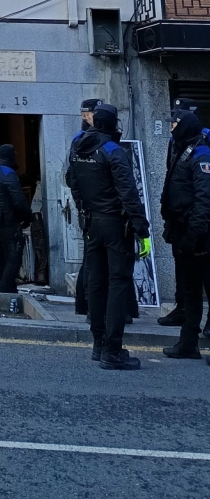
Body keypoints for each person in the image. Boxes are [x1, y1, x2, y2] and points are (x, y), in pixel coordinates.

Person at [67, 102, 151, 370]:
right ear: (113, 124)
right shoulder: (113, 150)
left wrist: (84, 212)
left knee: (97, 282)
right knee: (118, 284)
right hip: (116, 224)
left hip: (92, 224)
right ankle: (113, 350)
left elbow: (73, 184)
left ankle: (98, 343)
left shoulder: (78, 147)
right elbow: (129, 192)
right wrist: (142, 229)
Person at [160, 109, 210, 359]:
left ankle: (194, 342)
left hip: (198, 234)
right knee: (189, 290)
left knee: (201, 287)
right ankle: (188, 343)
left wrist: (194, 234)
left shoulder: (201, 153)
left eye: (175, 123)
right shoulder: (182, 148)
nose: (171, 128)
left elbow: (204, 199)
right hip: (182, 230)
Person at [66, 98, 103, 315]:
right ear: (85, 115)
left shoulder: (101, 138)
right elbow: (73, 176)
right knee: (92, 259)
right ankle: (88, 305)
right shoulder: (81, 140)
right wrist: (82, 204)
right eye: (94, 112)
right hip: (92, 209)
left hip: (99, 208)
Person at [0, 143, 32, 293]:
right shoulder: (9, 173)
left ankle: (4, 284)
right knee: (14, 256)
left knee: (2, 255)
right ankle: (4, 288)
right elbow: (18, 200)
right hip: (8, 219)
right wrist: (28, 216)